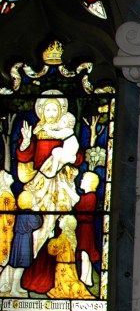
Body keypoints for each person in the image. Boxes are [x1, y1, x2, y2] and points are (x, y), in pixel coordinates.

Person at [16, 90, 83, 258]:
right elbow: (26, 155)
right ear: (42, 112)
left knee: (53, 219)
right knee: (36, 218)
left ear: (60, 112)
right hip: (39, 182)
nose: (51, 114)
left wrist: (68, 160)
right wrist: (25, 143)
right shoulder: (37, 132)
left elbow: (77, 156)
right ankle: (28, 255)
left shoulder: (64, 130)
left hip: (59, 181)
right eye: (48, 110)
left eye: (55, 110)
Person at [0, 190, 41, 297]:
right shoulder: (28, 213)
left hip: (18, 240)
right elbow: (37, 224)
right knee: (21, 266)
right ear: (29, 201)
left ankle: (17, 286)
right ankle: (14, 289)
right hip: (24, 242)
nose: (34, 201)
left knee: (18, 266)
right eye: (33, 199)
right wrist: (36, 211)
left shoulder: (20, 213)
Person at [45, 215, 93, 299]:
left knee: (66, 282)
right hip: (70, 265)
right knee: (71, 281)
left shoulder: (63, 236)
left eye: (62, 219)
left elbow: (53, 250)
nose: (60, 221)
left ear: (65, 224)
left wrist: (51, 238)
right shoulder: (72, 236)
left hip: (63, 265)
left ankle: (66, 293)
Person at [74, 171, 100, 287]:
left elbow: (79, 204)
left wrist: (66, 188)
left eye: (83, 179)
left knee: (86, 253)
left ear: (90, 183)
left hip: (86, 228)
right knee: (84, 253)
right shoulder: (87, 196)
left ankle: (86, 278)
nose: (81, 180)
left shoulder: (91, 197)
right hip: (82, 227)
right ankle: (86, 278)